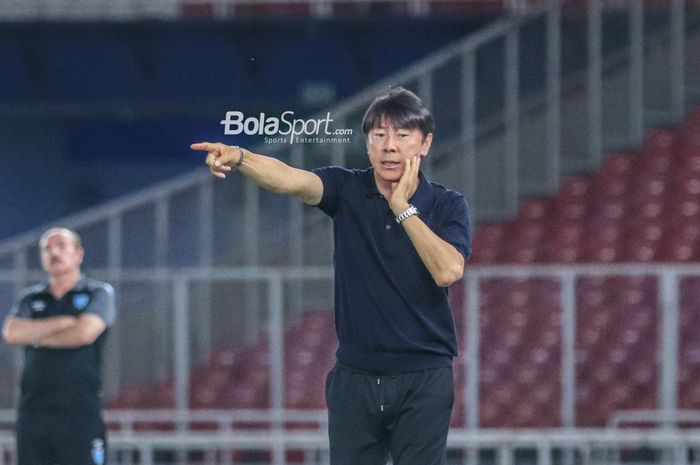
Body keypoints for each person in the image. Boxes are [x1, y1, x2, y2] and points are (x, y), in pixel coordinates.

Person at [192, 86, 472, 465]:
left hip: (423, 376)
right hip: (354, 377)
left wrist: (402, 208)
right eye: (379, 136)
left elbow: (448, 271)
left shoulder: (447, 204)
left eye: (403, 136)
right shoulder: (347, 189)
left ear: (425, 144)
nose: (390, 146)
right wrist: (240, 157)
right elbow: (290, 179)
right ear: (368, 143)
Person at [2, 227, 116, 465]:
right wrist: (64, 323)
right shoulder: (30, 299)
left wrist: (35, 336)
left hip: (79, 413)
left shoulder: (98, 293)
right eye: (47, 248)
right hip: (34, 415)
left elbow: (85, 333)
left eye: (61, 246)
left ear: (78, 255)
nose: (54, 252)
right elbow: (12, 333)